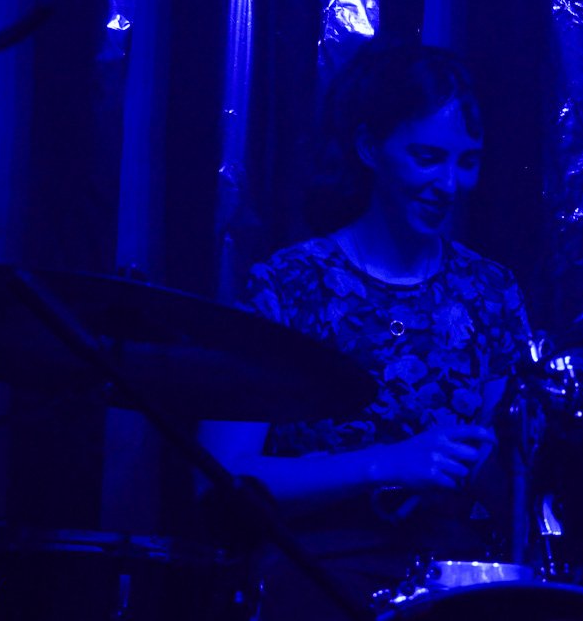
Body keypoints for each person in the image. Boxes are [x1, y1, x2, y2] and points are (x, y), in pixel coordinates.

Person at [200, 39, 532, 618]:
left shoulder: (490, 290)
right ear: (368, 147)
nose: (449, 184)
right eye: (427, 157)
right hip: (317, 571)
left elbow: (519, 508)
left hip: (454, 579)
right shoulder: (289, 284)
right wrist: (386, 464)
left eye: (467, 162)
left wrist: (490, 468)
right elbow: (219, 478)